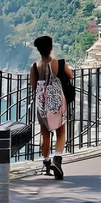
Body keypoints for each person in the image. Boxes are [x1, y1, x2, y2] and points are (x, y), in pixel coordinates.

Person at [30, 35, 71, 180]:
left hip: (42, 102)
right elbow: (70, 75)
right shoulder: (58, 63)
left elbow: (33, 86)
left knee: (45, 134)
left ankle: (46, 161)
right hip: (56, 100)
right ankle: (57, 159)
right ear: (51, 47)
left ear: (39, 50)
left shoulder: (35, 66)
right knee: (60, 131)